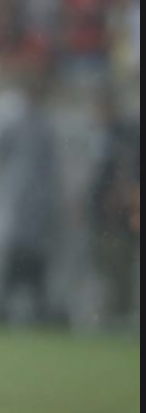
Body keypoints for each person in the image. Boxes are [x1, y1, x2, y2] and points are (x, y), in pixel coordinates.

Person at [0, 70, 64, 325]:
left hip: (37, 206)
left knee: (36, 263)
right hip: (8, 201)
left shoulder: (43, 120)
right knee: (6, 261)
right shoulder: (4, 116)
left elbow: (51, 165)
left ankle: (40, 315)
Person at [87, 89, 140, 330]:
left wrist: (121, 196)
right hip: (101, 214)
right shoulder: (103, 134)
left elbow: (124, 169)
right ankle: (111, 313)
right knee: (106, 264)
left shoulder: (122, 134)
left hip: (117, 214)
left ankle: (121, 315)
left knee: (119, 263)